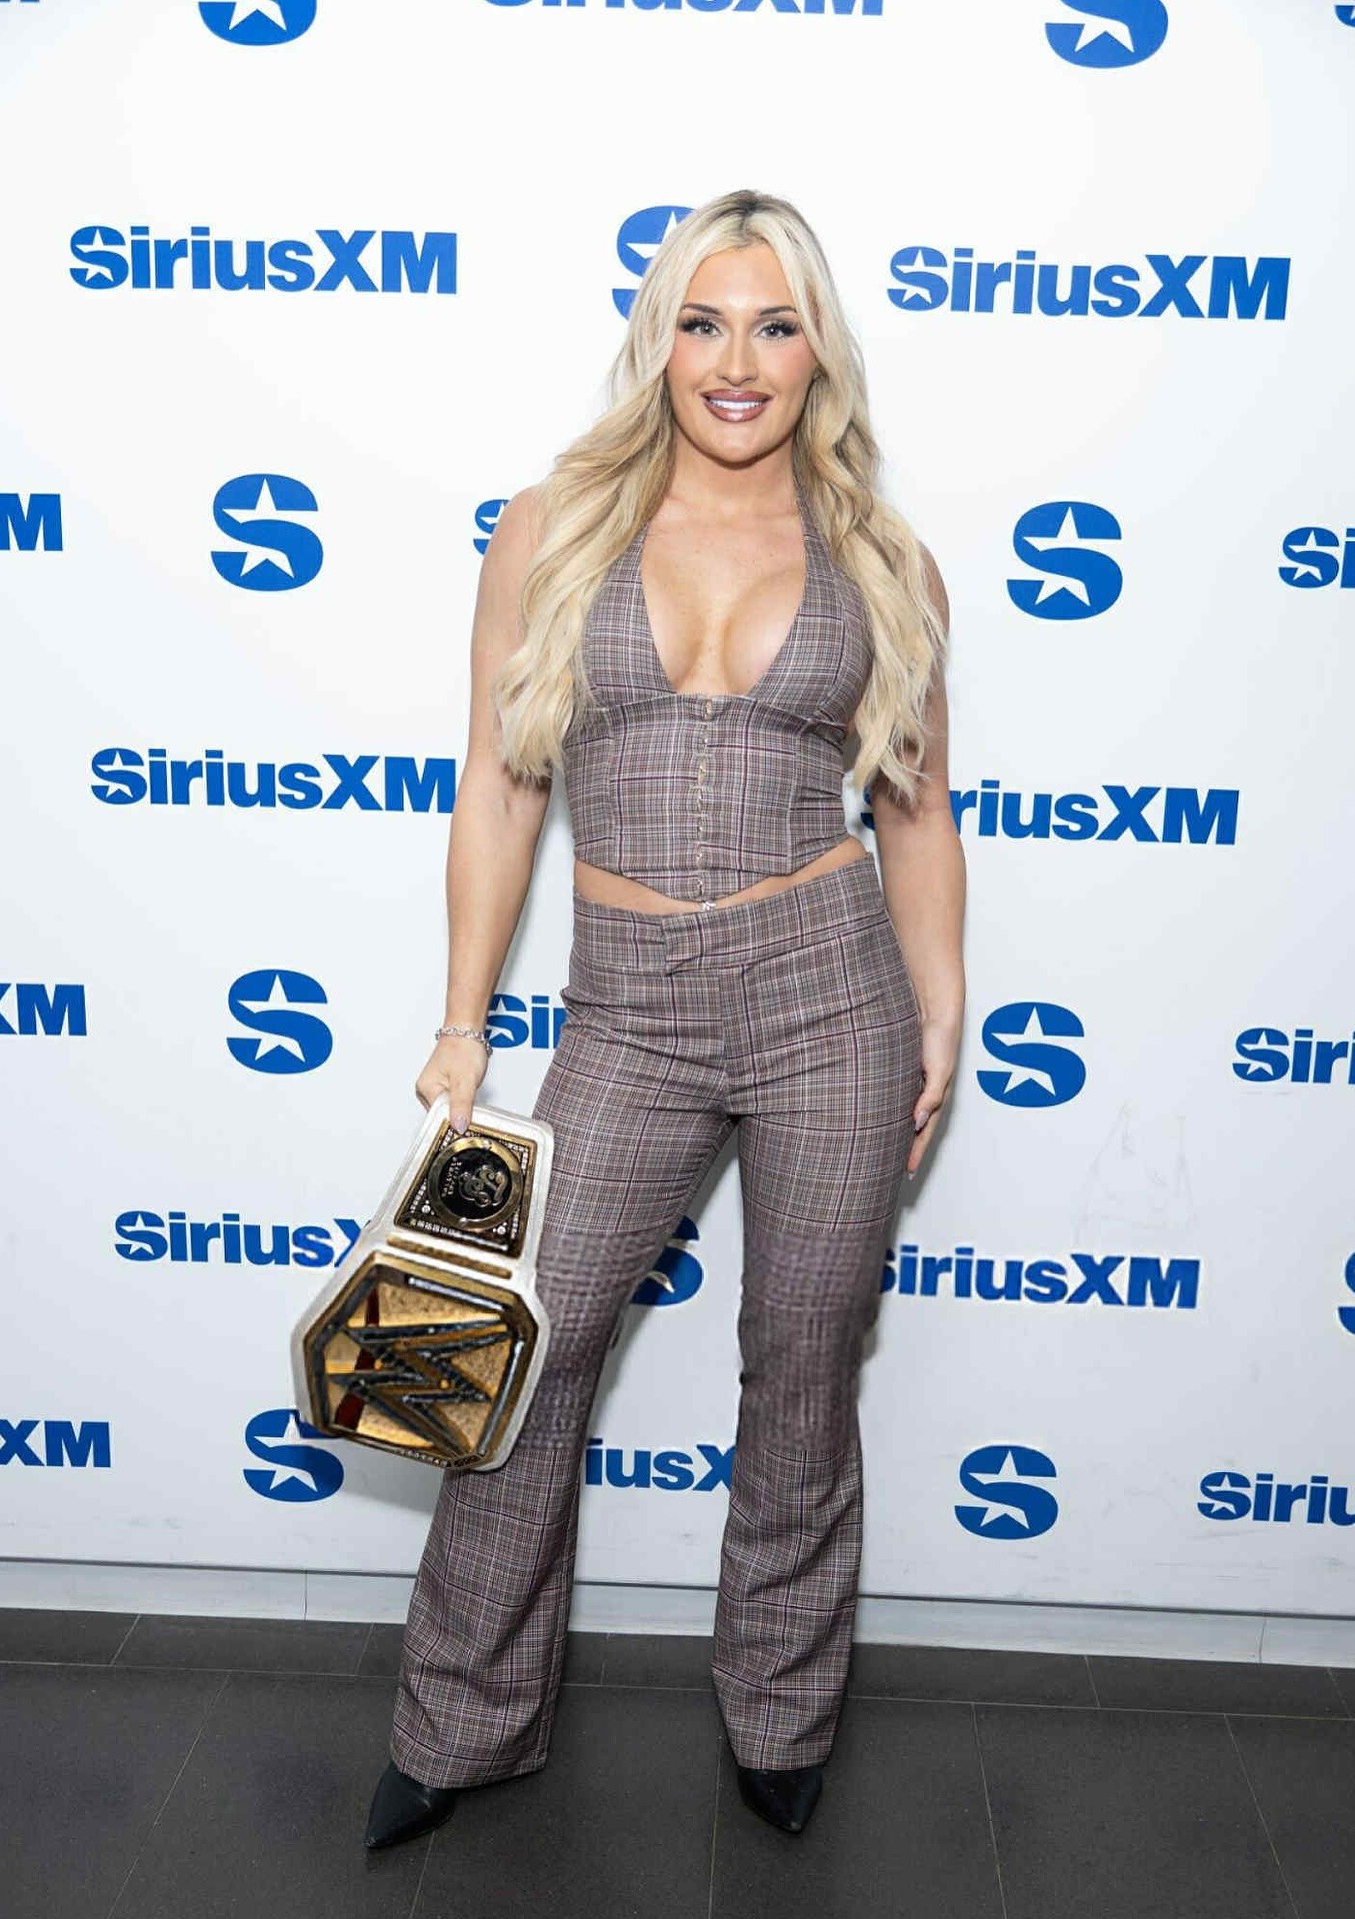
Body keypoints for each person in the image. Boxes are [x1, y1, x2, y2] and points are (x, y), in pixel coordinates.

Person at [364, 187, 964, 1849]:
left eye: (775, 326)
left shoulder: (881, 559)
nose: (737, 362)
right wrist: (464, 1023)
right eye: (703, 323)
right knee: (521, 1352)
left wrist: (942, 1008)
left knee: (803, 1362)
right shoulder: (556, 527)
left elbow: (916, 811)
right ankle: (458, 1723)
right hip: (625, 1012)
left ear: (819, 351)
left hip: (830, 996)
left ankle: (780, 1713)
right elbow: (499, 786)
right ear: (660, 342)